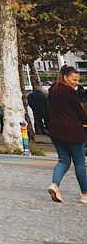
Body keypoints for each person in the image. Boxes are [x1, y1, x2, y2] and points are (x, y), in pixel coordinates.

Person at [47, 64, 86, 204]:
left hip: (56, 131)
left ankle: (55, 185)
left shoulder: (53, 89)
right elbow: (79, 112)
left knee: (63, 160)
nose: (77, 83)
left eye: (78, 80)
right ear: (65, 77)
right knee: (80, 163)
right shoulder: (70, 93)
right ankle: (85, 195)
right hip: (73, 131)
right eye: (74, 80)